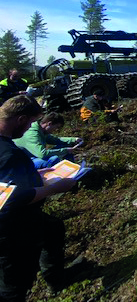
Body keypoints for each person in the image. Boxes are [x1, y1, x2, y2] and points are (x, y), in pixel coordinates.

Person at [0, 96, 78, 300]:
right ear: (20, 119)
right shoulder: (8, 153)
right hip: (11, 226)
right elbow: (15, 197)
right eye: (29, 124)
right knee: (13, 283)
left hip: (18, 218)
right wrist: (55, 187)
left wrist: (38, 175)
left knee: (53, 228)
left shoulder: (5, 146)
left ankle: (56, 279)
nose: (28, 130)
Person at [14, 112, 83, 168]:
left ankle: (72, 172)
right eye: (56, 127)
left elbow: (55, 140)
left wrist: (74, 140)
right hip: (24, 162)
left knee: (65, 145)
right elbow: (42, 154)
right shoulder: (33, 134)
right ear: (49, 124)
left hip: (34, 157)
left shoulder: (41, 130)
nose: (56, 130)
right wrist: (65, 150)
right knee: (53, 159)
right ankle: (55, 180)